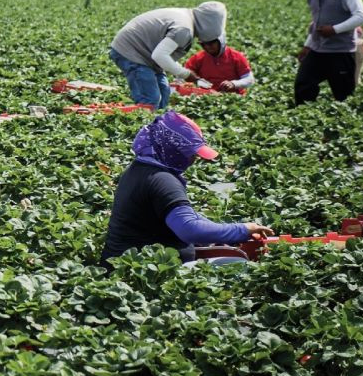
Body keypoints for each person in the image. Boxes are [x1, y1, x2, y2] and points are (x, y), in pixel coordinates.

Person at [100, 111, 273, 269]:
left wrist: (229, 235)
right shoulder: (163, 180)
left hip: (125, 266)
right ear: (171, 148)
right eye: (189, 153)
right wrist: (242, 229)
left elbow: (190, 218)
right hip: (145, 271)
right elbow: (189, 228)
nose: (193, 160)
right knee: (239, 265)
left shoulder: (139, 169)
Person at [108, 2, 227, 110]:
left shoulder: (187, 19)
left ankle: (157, 126)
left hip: (146, 55)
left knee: (164, 92)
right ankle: (140, 128)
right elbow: (159, 56)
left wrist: (191, 76)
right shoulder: (184, 28)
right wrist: (186, 74)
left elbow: (162, 56)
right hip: (131, 51)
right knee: (150, 99)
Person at [295, 0, 363, 105]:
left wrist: (334, 29)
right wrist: (307, 46)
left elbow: (361, 16)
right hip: (317, 50)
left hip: (341, 51)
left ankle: (341, 124)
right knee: (303, 84)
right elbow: (316, 23)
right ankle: (305, 118)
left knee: (343, 95)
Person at [182, 38, 255, 93]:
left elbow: (249, 79)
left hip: (233, 99)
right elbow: (182, 76)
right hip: (206, 97)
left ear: (220, 41)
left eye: (211, 43)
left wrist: (233, 84)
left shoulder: (236, 56)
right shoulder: (198, 58)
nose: (207, 47)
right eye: (203, 44)